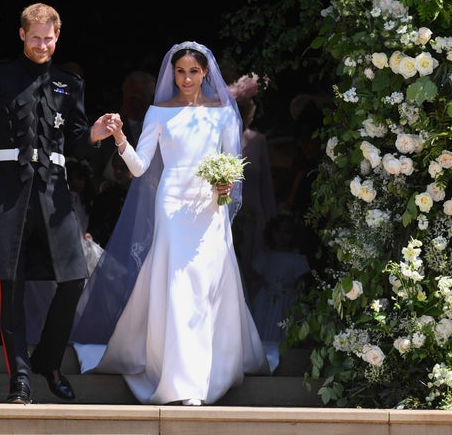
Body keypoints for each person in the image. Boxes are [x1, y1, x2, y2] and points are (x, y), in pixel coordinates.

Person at [72, 41, 270, 406]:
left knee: (207, 281)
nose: (187, 78)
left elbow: (232, 167)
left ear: (205, 73)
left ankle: (210, 370)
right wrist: (119, 139)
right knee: (177, 282)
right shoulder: (158, 112)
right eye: (181, 72)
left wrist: (225, 190)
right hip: (172, 202)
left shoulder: (223, 113)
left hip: (210, 204)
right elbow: (140, 167)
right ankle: (181, 381)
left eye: (194, 71)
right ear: (172, 73)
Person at [0, 2, 117, 404]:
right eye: (35, 39)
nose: (43, 46)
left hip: (54, 195)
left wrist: (96, 133)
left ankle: (47, 359)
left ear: (57, 36)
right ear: (22, 35)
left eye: (49, 39)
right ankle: (21, 380)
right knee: (8, 286)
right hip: (7, 194)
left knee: (74, 276)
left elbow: (78, 140)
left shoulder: (69, 83)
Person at [227, 72, 277, 301]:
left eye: (244, 111)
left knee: (252, 267)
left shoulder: (258, 140)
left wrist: (271, 220)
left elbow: (266, 183)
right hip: (226, 211)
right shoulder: (218, 141)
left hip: (254, 214)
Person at [249, 211, 310, 373]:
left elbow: (303, 282)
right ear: (271, 233)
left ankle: (282, 363)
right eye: (278, 231)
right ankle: (261, 361)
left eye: (287, 232)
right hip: (266, 300)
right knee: (263, 327)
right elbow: (253, 275)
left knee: (283, 330)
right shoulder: (265, 256)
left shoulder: (296, 259)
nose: (282, 236)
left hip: (287, 300)